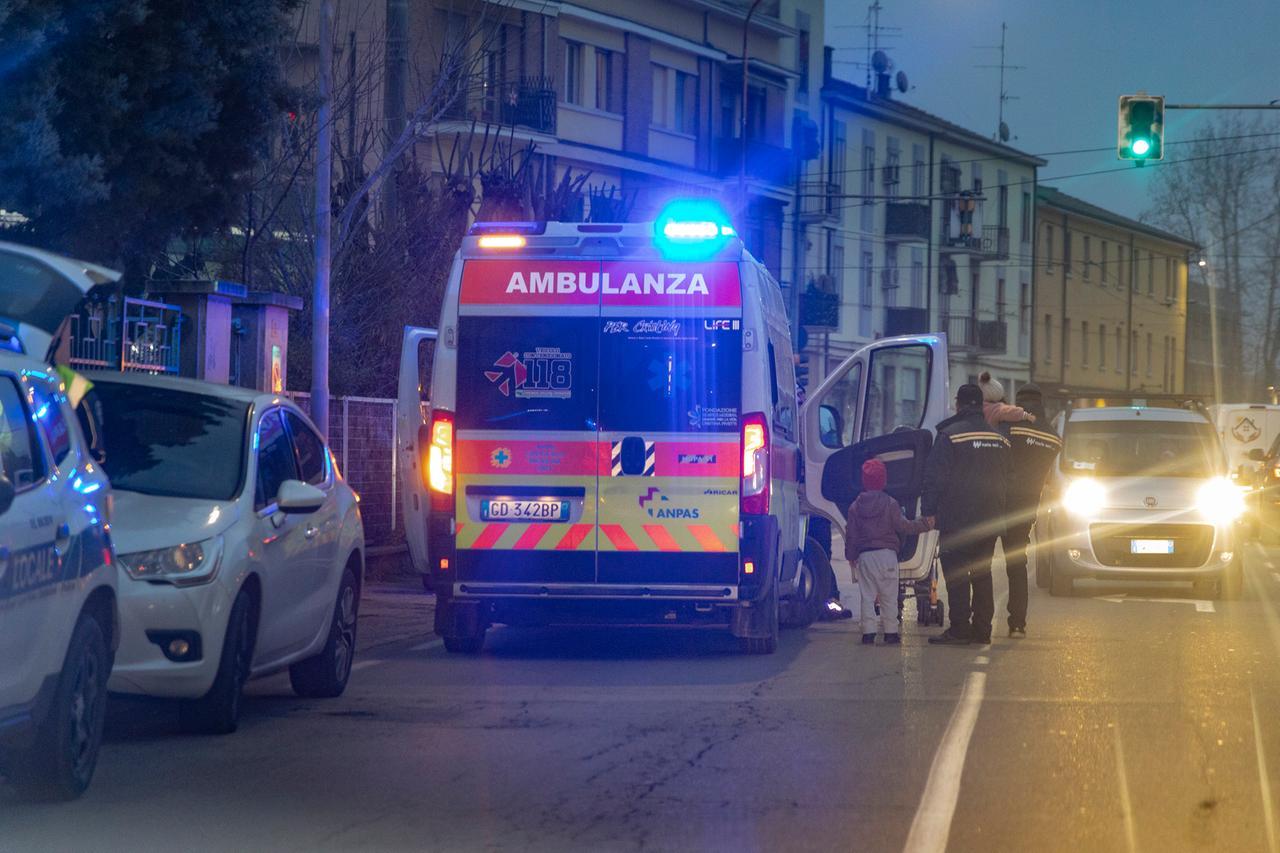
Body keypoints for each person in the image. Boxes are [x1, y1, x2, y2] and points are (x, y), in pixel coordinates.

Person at [922, 383, 1011, 646]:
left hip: (957, 519)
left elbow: (934, 477)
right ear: (981, 406)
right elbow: (1010, 478)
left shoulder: (949, 435)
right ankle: (982, 630)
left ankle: (960, 628)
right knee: (982, 574)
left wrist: (928, 511)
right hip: (990, 520)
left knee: (958, 574)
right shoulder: (1000, 439)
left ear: (959, 404)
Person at [845, 458, 932, 645]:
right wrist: (924, 524)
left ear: (864, 481)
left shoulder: (855, 506)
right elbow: (904, 526)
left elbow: (851, 535)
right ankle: (891, 632)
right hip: (887, 555)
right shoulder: (890, 503)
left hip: (865, 556)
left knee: (867, 596)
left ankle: (868, 633)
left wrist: (851, 557)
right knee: (889, 596)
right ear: (883, 480)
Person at [1000, 383, 1061, 638]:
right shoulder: (1053, 437)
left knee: (978, 559)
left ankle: (977, 623)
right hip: (1027, 505)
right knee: (1017, 562)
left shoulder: (1010, 427)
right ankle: (1018, 622)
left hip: (1000, 500)